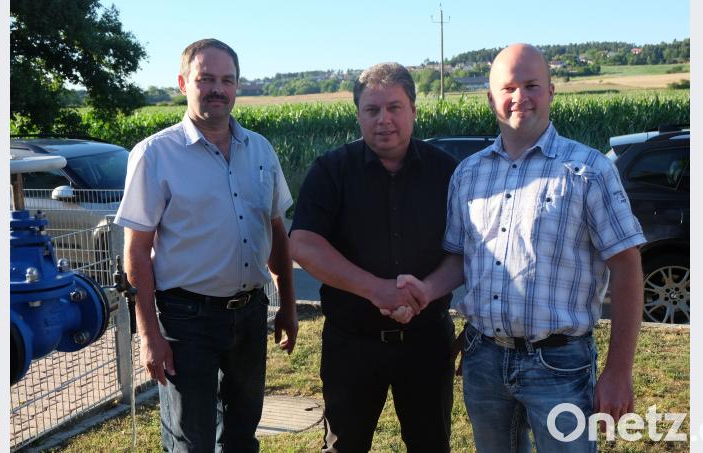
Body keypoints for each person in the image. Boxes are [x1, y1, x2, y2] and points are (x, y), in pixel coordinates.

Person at [398, 43, 646, 452]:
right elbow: (461, 258)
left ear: (551, 91)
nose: (520, 97)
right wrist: (425, 290)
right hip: (484, 360)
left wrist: (619, 370)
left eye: (531, 85)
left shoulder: (588, 170)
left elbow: (626, 264)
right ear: (491, 97)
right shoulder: (469, 174)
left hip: (560, 364)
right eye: (508, 87)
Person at [115, 38, 298, 452]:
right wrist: (149, 335)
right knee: (191, 440)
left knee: (241, 434)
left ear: (237, 86)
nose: (218, 88)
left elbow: (276, 233)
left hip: (250, 315)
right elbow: (137, 252)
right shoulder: (154, 155)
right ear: (183, 83)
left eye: (227, 80)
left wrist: (286, 305)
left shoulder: (261, 151)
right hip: (185, 320)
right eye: (206, 79)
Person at [289, 62, 458, 453]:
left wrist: (426, 292)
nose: (384, 120)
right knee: (344, 445)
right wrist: (377, 291)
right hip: (352, 343)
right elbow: (304, 244)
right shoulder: (331, 171)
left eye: (395, 107)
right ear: (358, 115)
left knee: (432, 443)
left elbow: (465, 252)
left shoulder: (447, 171)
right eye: (372, 110)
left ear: (414, 110)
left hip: (427, 340)